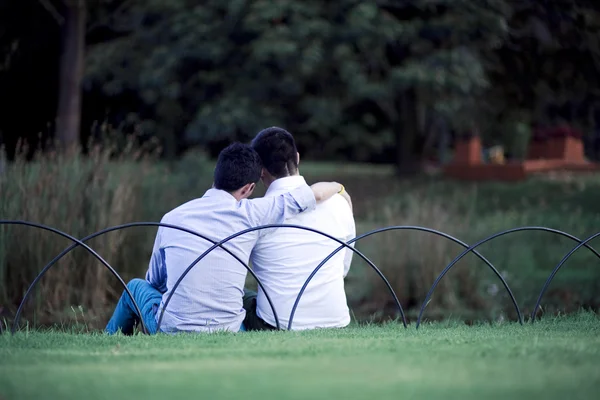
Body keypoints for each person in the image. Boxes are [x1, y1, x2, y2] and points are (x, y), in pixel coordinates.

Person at [105, 142, 344, 335]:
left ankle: (112, 340)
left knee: (136, 287)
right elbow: (310, 195)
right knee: (248, 297)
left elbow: (155, 281)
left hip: (172, 328)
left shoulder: (172, 217)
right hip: (230, 330)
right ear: (249, 189)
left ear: (216, 175)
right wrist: (339, 187)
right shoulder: (252, 214)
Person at [244, 127, 356, 331]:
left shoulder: (254, 214)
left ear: (260, 171)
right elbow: (343, 269)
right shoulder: (339, 203)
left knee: (243, 296)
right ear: (297, 157)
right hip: (336, 320)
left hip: (276, 324)